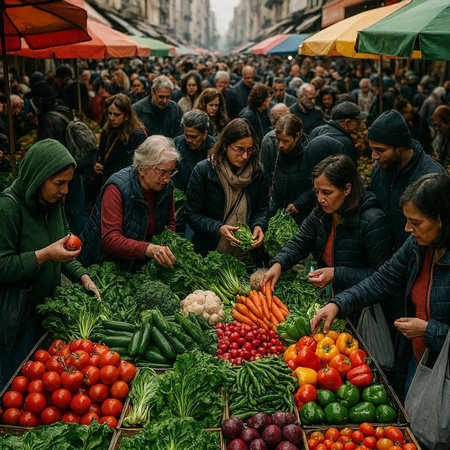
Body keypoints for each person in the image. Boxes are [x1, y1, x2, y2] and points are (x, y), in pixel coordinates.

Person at [311, 173, 450, 399]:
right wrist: (337, 304)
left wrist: (428, 330)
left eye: (415, 222)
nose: (407, 229)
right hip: (417, 359)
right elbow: (382, 279)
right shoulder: (418, 245)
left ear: (441, 219)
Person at [0, 139, 100, 388]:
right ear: (38, 177)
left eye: (67, 182)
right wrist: (43, 254)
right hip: (17, 321)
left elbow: (63, 244)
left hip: (46, 313)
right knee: (13, 387)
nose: (66, 190)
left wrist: (82, 276)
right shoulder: (8, 208)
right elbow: (2, 265)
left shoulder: (52, 202)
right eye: (59, 183)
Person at [262, 154, 392, 297]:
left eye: (327, 192)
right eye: (317, 192)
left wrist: (337, 274)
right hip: (332, 298)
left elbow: (382, 275)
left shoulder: (373, 221)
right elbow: (301, 241)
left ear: (347, 188)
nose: (320, 199)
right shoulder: (322, 213)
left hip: (361, 305)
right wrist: (278, 264)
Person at [80, 135, 180, 271]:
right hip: (102, 264)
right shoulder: (116, 188)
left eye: (170, 172)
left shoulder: (166, 188)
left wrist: (163, 245)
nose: (166, 179)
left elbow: (170, 222)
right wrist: (148, 249)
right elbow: (110, 239)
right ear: (142, 168)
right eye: (162, 172)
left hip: (136, 265)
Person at [185, 118, 269, 264]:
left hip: (247, 256)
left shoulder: (258, 171)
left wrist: (258, 226)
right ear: (225, 145)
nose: (245, 156)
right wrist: (218, 228)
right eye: (239, 149)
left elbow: (262, 209)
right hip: (211, 255)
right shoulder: (204, 171)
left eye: (250, 150)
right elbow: (192, 214)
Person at [368, 109, 446, 251]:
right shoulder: (379, 169)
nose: (374, 156)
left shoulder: (432, 177)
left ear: (400, 147)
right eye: (372, 149)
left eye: (380, 150)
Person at [261, 114, 307, 222]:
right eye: (278, 140)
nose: (281, 145)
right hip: (277, 212)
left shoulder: (308, 153)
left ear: (297, 136)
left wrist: (298, 204)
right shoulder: (273, 146)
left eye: (286, 141)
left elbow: (315, 188)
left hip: (301, 215)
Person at [93, 93, 147, 183]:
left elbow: (142, 164)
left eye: (117, 115)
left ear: (126, 116)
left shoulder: (137, 135)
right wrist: (97, 164)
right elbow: (101, 154)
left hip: (128, 183)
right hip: (108, 181)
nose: (112, 118)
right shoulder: (107, 131)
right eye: (110, 113)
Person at [173, 109, 216, 193]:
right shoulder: (176, 144)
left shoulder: (215, 149)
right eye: (186, 135)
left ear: (205, 134)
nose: (189, 140)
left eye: (193, 137)